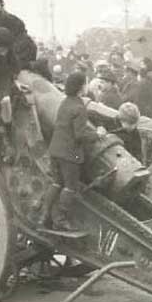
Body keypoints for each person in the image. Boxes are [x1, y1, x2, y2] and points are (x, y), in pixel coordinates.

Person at [45, 72, 106, 231]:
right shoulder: (79, 108)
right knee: (70, 187)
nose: (87, 86)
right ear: (81, 88)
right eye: (85, 84)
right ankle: (60, 219)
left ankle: (44, 213)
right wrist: (97, 135)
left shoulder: (65, 102)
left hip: (55, 150)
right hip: (70, 154)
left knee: (56, 182)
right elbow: (80, 135)